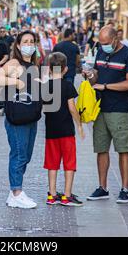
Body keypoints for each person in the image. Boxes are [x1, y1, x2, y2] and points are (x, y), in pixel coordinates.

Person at [84, 26, 128, 204]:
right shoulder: (100, 51)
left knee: (123, 148)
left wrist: (106, 86)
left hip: (119, 108)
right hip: (100, 107)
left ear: (116, 39)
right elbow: (96, 77)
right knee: (101, 148)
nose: (103, 46)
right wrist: (90, 75)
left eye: (106, 43)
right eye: (101, 43)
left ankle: (125, 189)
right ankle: (102, 187)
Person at [0, 30, 42, 209]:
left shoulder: (34, 65)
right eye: (25, 42)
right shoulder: (14, 63)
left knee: (26, 156)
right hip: (16, 117)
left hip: (30, 116)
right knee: (19, 154)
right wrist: (16, 82)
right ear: (19, 46)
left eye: (32, 41)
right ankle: (16, 192)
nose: (29, 44)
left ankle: (14, 191)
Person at [43, 52, 84, 207]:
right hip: (66, 131)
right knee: (69, 163)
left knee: (52, 164)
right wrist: (79, 124)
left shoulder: (45, 86)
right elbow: (72, 108)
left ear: (49, 68)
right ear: (65, 69)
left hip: (50, 132)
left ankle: (52, 195)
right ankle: (67, 196)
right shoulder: (67, 85)